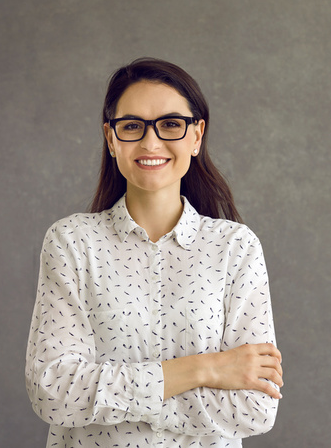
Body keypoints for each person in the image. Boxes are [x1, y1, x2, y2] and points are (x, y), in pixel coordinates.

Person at [25, 58, 283, 447]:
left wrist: (110, 395)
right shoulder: (72, 242)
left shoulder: (236, 248)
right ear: (111, 139)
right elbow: (54, 391)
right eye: (132, 126)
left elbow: (254, 408)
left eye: (170, 124)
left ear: (196, 136)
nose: (150, 142)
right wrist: (206, 369)